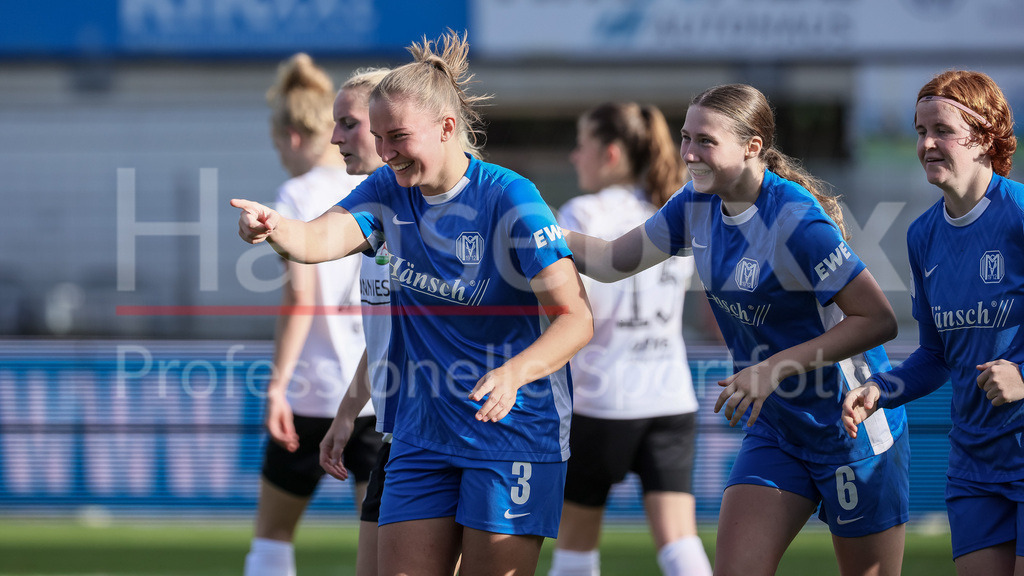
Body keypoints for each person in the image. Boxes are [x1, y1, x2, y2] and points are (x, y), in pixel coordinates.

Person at [233, 30, 594, 576]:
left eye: (397, 136)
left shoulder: (509, 197)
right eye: (379, 138)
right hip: (420, 434)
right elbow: (316, 241)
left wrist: (515, 374)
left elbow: (576, 319)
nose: (386, 153)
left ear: (447, 128)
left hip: (512, 433)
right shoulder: (386, 191)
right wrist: (274, 227)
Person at [565, 84, 910, 576]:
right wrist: (532, 227)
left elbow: (878, 320)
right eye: (685, 137)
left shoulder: (796, 221)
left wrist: (773, 368)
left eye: (705, 141)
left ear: (752, 146)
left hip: (849, 428)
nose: (688, 153)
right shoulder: (694, 205)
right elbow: (608, 260)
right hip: (777, 428)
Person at [842, 70, 1023, 576]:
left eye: (941, 130)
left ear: (984, 137)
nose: (926, 144)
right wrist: (880, 388)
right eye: (920, 131)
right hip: (974, 467)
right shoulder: (923, 236)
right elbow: (937, 356)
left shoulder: (1020, 216)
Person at [548, 102, 711, 576]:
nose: (575, 157)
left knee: (576, 545)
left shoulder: (581, 212)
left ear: (612, 153)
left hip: (600, 400)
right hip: (669, 396)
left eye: (582, 145)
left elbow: (567, 313)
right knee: (679, 543)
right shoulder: (671, 206)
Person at [243, 53, 383, 576]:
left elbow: (301, 299)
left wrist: (277, 386)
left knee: (273, 535)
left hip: (315, 390)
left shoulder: (297, 195)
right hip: (376, 393)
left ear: (292, 136)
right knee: (378, 545)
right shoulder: (379, 186)